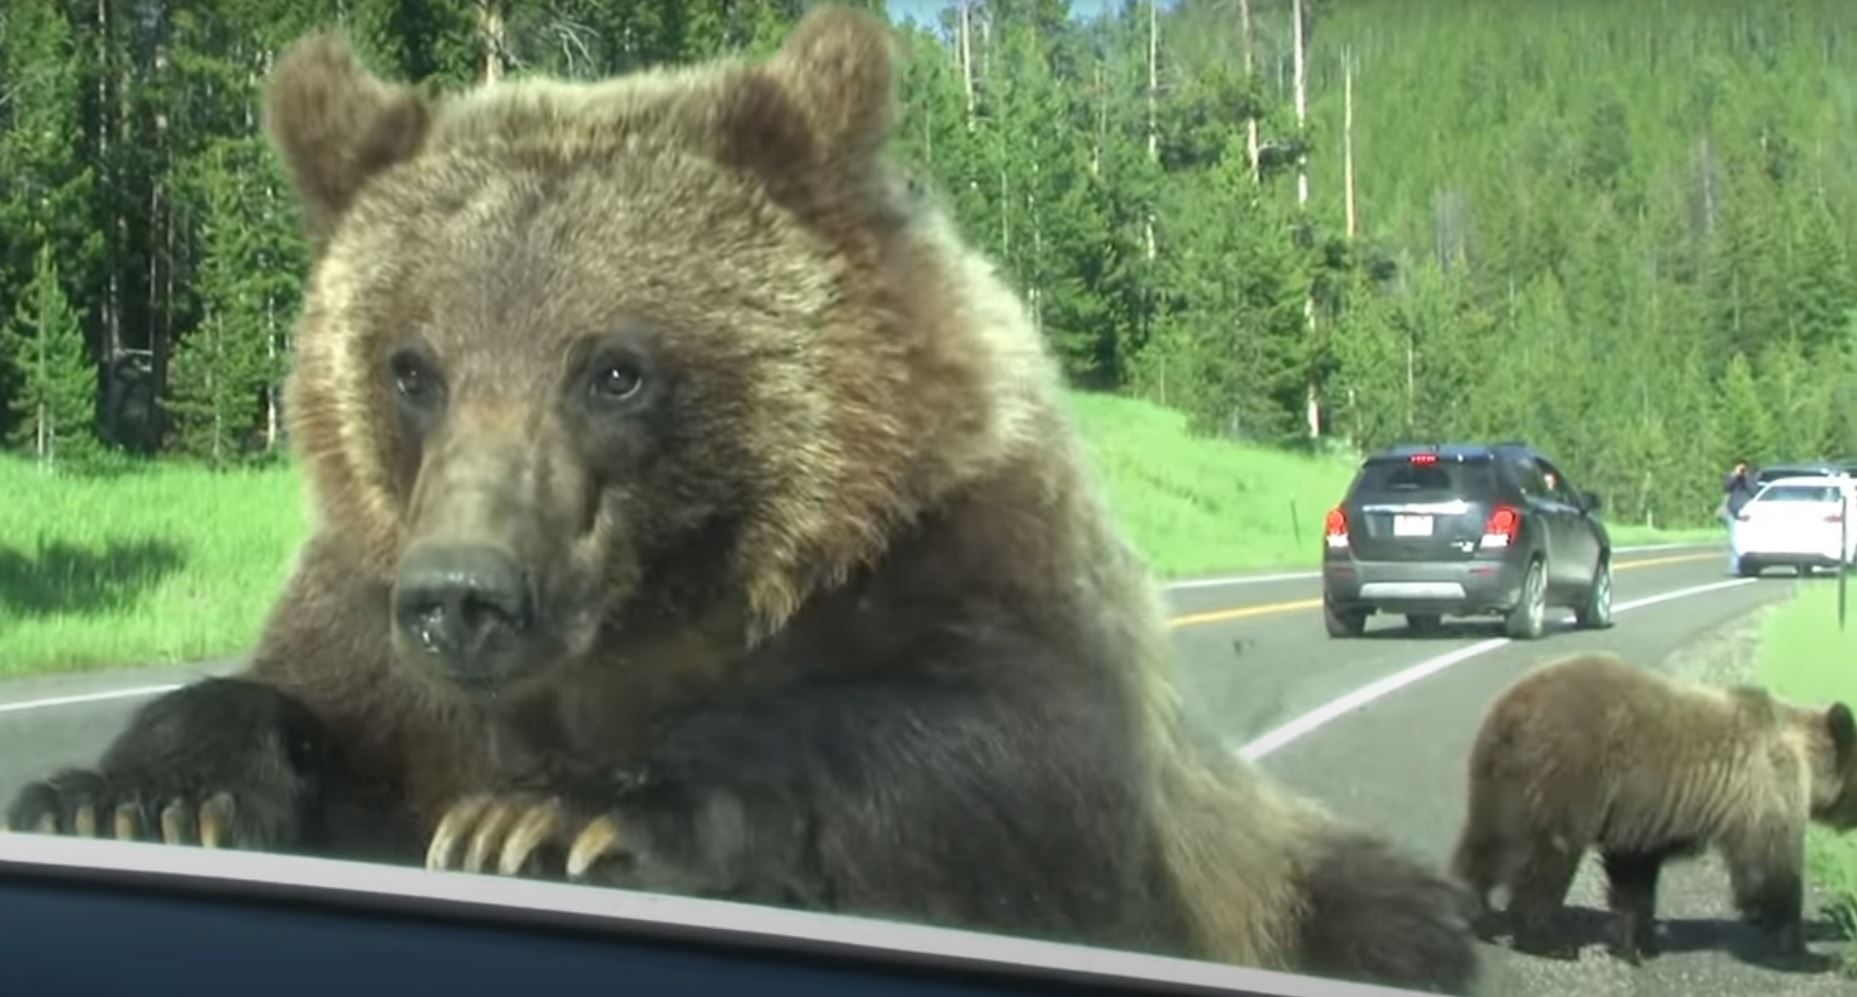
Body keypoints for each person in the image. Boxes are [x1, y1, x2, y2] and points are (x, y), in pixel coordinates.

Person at [1721, 460, 1756, 573]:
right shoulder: (1732, 477)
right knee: (1734, 540)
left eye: (1743, 469)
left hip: (1747, 513)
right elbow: (1726, 487)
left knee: (1748, 540)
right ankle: (1735, 566)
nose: (1741, 471)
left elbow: (1753, 491)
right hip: (1734, 511)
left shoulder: (1751, 478)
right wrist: (1735, 476)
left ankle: (1749, 565)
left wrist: (1746, 478)